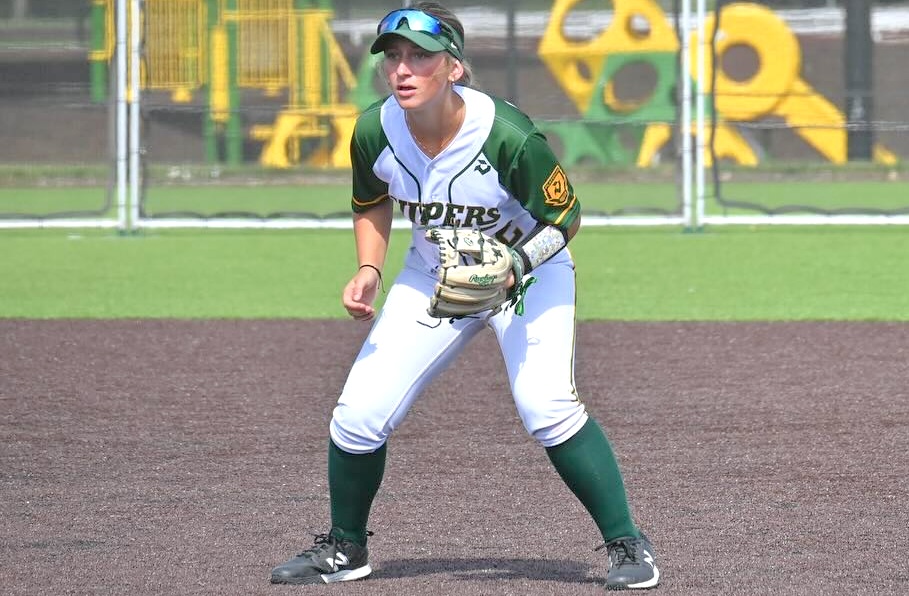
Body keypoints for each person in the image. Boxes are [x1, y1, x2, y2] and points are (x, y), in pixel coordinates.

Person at [270, 2, 661, 591]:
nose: (403, 69)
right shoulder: (376, 128)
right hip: (430, 277)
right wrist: (370, 267)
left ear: (453, 67)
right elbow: (371, 198)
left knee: (546, 407)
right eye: (393, 57)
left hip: (528, 273)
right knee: (357, 416)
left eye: (420, 57)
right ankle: (346, 548)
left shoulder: (506, 135)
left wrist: (516, 265)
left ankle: (628, 543)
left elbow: (566, 216)